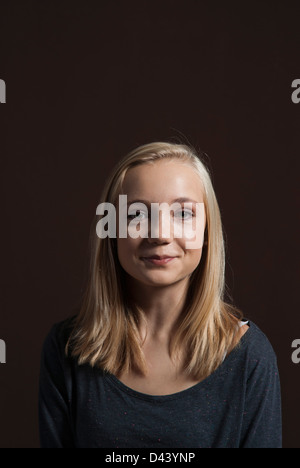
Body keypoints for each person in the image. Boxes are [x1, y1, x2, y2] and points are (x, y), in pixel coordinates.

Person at [38, 142, 282, 448]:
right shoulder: (66, 349)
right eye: (137, 214)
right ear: (111, 232)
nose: (160, 235)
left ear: (208, 232)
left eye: (183, 213)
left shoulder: (250, 356)